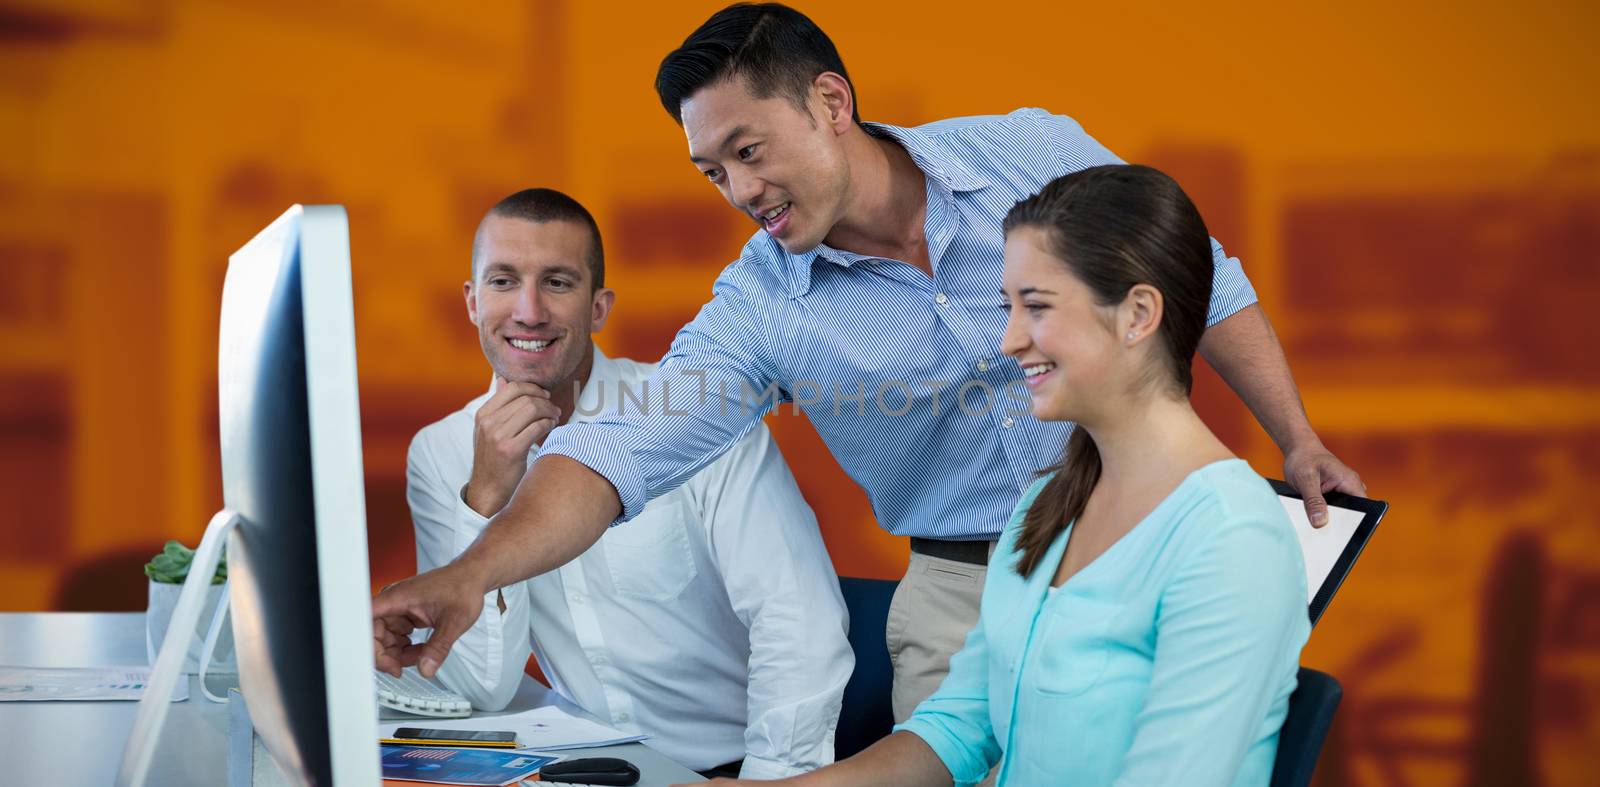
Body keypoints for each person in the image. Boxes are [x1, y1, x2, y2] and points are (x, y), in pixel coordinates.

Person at [373, 2, 1358, 724]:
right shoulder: (759, 309)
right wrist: (469, 573)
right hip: (966, 592)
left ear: (829, 101)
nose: (741, 192)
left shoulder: (1030, 155)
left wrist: (1296, 437)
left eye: (751, 151)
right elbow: (615, 454)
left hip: (1153, 546)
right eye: (714, 172)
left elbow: (1204, 282)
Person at [702, 165, 1312, 786]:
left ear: (1137, 314)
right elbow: (957, 728)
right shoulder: (1047, 505)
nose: (1010, 339)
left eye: (1037, 308)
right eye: (1007, 307)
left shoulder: (1232, 538)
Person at [404, 187, 852, 780]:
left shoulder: (694, 412)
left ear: (598, 307)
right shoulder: (440, 452)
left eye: (558, 283)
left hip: (728, 768)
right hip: (582, 766)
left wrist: (768, 778)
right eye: (503, 281)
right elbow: (481, 686)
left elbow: (798, 617)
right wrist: (485, 498)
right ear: (471, 301)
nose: (529, 311)